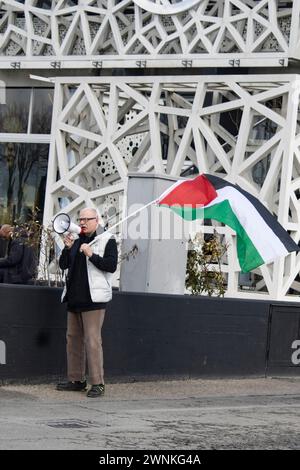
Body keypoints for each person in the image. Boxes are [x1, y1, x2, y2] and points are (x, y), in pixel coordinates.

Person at [56, 208, 118, 398]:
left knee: (92, 341)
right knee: (72, 340)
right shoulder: (76, 239)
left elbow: (111, 266)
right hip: (74, 297)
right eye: (80, 219)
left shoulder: (107, 239)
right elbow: (63, 265)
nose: (82, 222)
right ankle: (76, 380)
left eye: (86, 219)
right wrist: (67, 248)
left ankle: (98, 383)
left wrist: (92, 255)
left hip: (93, 299)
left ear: (96, 220)